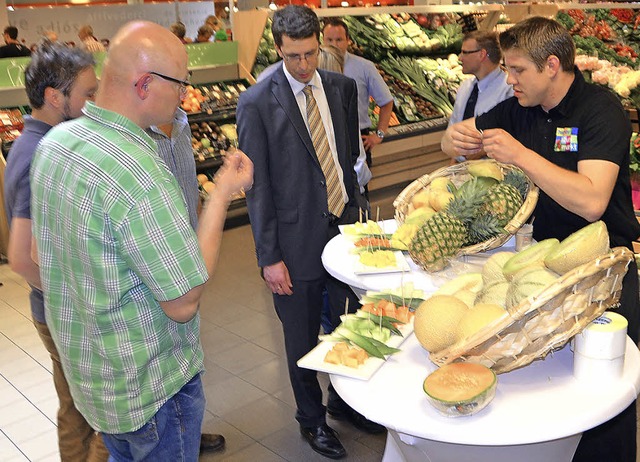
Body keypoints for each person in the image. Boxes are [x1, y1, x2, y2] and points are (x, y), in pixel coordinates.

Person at [30, 20, 253, 460]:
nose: (185, 93)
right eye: (181, 82)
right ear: (145, 83)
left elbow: (42, 258)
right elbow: (184, 299)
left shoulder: (57, 145)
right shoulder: (140, 171)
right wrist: (223, 192)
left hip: (96, 387)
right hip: (151, 393)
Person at [442, 16, 640, 462]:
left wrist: (522, 155)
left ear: (552, 65)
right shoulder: (519, 108)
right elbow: (455, 143)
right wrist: (453, 136)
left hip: (605, 274)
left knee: (605, 401)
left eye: (517, 70)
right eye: (507, 69)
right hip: (546, 267)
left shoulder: (599, 111)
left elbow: (591, 202)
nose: (508, 80)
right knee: (556, 394)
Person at [236, 6, 380, 460]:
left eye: (311, 53)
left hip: (342, 232)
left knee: (348, 324)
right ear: (277, 48)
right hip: (293, 244)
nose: (304, 65)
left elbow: (346, 159)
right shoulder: (257, 101)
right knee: (301, 339)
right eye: (294, 56)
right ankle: (311, 420)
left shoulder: (341, 88)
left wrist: (357, 216)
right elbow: (256, 187)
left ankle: (344, 401)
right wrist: (268, 257)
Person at [4, 40, 106, 462]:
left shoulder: (36, 145)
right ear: (54, 97)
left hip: (55, 309)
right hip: (66, 312)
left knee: (75, 407)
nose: (94, 102)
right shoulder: (40, 154)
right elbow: (21, 257)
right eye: (87, 94)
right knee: (99, 413)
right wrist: (78, 302)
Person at [145, 110, 228, 454]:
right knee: (161, 350)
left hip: (187, 254)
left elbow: (189, 186)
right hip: (157, 264)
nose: (183, 91)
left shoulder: (180, 125)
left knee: (186, 347)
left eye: (186, 82)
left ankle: (187, 428)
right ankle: (169, 434)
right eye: (176, 81)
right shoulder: (135, 135)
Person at [322, 18, 394, 167]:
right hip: (324, 138)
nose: (334, 44)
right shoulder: (314, 66)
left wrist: (379, 135)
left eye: (339, 40)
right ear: (322, 40)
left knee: (359, 186)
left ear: (348, 40)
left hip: (357, 138)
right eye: (329, 40)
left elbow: (387, 101)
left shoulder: (364, 67)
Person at [445, 30, 513, 163]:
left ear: (482, 54)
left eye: (465, 52)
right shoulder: (465, 87)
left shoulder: (508, 91)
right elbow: (455, 133)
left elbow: (513, 136)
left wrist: (482, 150)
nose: (459, 58)